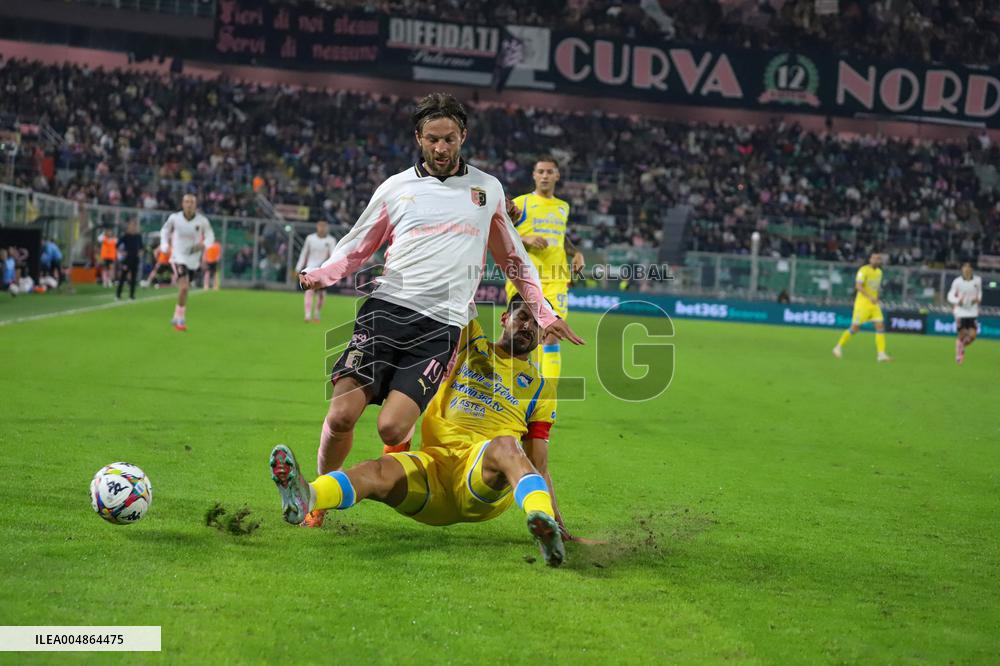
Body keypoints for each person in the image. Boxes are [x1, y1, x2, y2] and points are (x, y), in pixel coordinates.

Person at [296, 93, 583, 528]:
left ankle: (393, 475)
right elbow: (358, 244)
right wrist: (323, 273)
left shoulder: (487, 190)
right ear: (419, 138)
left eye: (450, 139)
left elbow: (514, 261)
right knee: (340, 417)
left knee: (392, 429)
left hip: (441, 325)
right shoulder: (396, 188)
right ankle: (316, 501)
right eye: (433, 139)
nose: (442, 148)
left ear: (463, 136)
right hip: (386, 310)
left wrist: (544, 314)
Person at [269, 295, 567, 566]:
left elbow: (537, 464)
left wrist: (554, 517)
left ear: (545, 333)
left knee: (505, 445)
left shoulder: (541, 388)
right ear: (504, 318)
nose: (529, 326)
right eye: (523, 316)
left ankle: (540, 523)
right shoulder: (470, 342)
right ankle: (308, 497)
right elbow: (458, 292)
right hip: (433, 470)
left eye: (538, 322)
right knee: (376, 470)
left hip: (480, 479)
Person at [504, 155, 585, 386]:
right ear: (534, 175)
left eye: (550, 172)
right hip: (525, 280)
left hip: (557, 280)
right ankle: (517, 388)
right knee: (522, 338)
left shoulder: (563, 207)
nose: (545, 176)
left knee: (551, 334)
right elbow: (499, 235)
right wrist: (525, 238)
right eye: (541, 171)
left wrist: (576, 253)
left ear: (557, 175)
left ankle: (546, 395)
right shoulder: (521, 204)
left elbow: (560, 238)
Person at [159, 193, 215, 331]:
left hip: (193, 259)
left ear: (195, 205)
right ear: (182, 204)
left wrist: (204, 245)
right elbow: (165, 231)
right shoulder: (175, 218)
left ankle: (176, 314)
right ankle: (180, 320)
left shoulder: (201, 221)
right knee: (184, 287)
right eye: (186, 202)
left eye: (192, 202)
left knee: (185, 290)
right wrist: (164, 245)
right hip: (178, 256)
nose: (189, 204)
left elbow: (210, 235)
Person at [832, 252, 892, 362]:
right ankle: (838, 347)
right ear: (870, 259)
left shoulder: (879, 272)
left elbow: (876, 288)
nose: (875, 260)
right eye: (874, 258)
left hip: (874, 305)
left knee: (880, 326)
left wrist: (877, 298)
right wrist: (870, 297)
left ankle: (881, 354)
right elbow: (858, 286)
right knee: (854, 328)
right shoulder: (863, 270)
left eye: (878, 259)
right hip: (862, 304)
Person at [295, 220, 337, 322]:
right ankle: (308, 315)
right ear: (317, 227)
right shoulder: (310, 238)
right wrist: (298, 268)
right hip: (310, 269)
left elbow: (333, 256)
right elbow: (304, 253)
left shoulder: (331, 240)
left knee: (321, 294)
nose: (322, 228)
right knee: (309, 291)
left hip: (322, 270)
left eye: (324, 226)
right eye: (320, 226)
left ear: (327, 227)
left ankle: (317, 313)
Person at [947, 262, 982, 364]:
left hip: (972, 311)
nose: (966, 269)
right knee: (962, 334)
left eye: (968, 267)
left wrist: (978, 299)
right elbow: (950, 295)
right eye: (964, 267)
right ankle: (959, 354)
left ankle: (961, 347)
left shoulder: (977, 280)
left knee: (973, 335)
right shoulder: (957, 282)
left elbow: (979, 292)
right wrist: (958, 300)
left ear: (971, 269)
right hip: (960, 311)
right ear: (962, 269)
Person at [116, 220, 143, 300]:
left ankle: (131, 295)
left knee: (134, 278)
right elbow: (117, 245)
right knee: (123, 277)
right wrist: (122, 252)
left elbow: (141, 247)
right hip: (127, 259)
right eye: (132, 226)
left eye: (135, 226)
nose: (134, 228)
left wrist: (141, 252)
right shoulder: (126, 236)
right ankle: (118, 294)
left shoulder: (138, 236)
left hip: (135, 259)